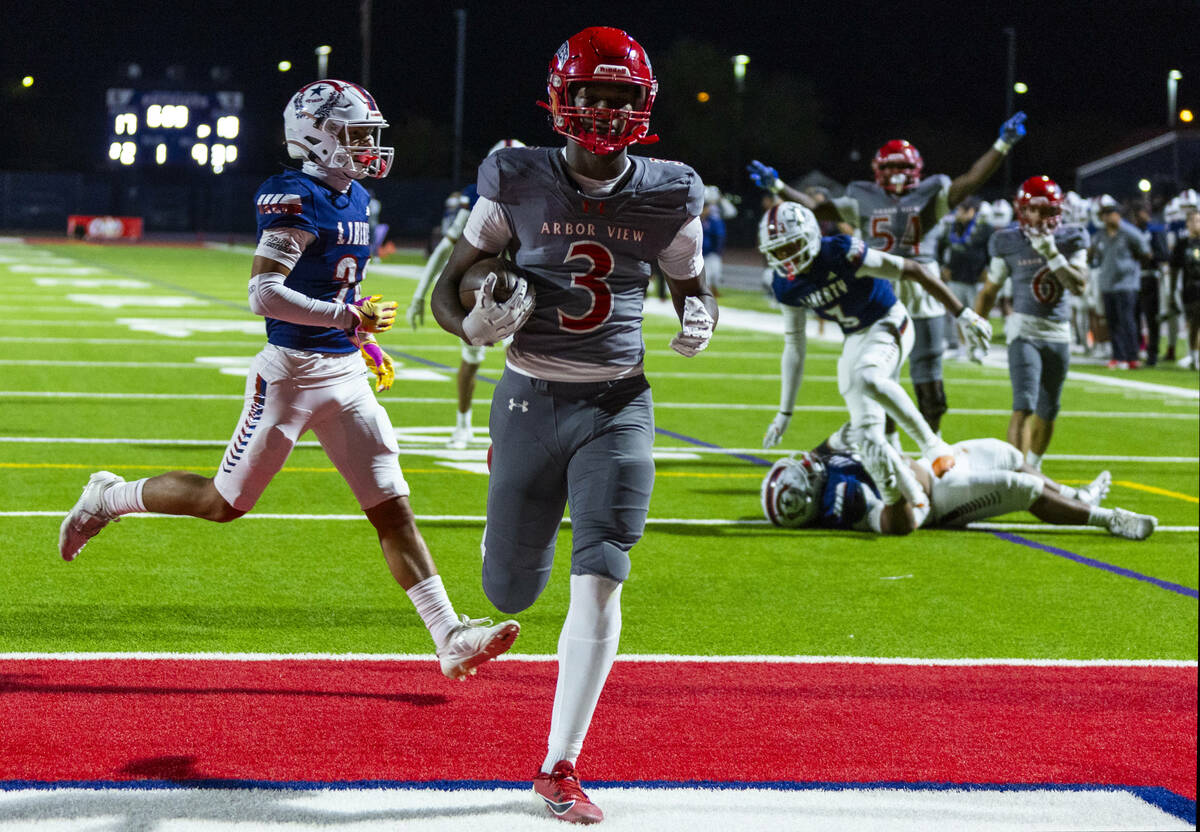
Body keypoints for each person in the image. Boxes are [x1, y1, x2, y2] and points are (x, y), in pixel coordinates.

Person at [57, 79, 519, 681]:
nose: (367, 147)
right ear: (316, 135)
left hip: (345, 373)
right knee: (223, 505)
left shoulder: (352, 195)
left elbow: (338, 287)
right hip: (290, 377)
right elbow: (264, 294)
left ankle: (448, 634)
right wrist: (346, 318)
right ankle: (107, 497)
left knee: (392, 509)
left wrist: (361, 337)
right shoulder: (293, 196)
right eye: (355, 135)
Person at [429, 28, 717, 825]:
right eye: (592, 93)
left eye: (622, 95)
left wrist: (701, 317)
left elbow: (695, 284)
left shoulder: (670, 191)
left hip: (619, 403)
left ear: (644, 105)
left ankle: (559, 765)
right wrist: (470, 327)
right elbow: (447, 289)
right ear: (562, 98)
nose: (605, 108)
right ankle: (509, 542)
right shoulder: (516, 175)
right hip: (528, 398)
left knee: (604, 568)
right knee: (508, 586)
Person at [748, 111, 1026, 434]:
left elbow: (972, 180)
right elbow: (815, 209)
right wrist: (779, 186)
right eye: (891, 167)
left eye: (903, 168)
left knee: (929, 378)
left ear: (917, 170)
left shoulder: (933, 193)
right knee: (879, 377)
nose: (896, 174)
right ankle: (888, 447)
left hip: (923, 283)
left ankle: (930, 449)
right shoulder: (861, 196)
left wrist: (1002, 144)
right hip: (879, 282)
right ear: (878, 170)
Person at [756, 201, 992, 477]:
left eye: (791, 247)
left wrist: (963, 314)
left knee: (866, 376)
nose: (786, 259)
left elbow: (915, 270)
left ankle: (935, 448)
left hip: (889, 320)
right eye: (778, 251)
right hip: (856, 338)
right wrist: (785, 413)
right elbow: (795, 346)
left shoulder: (842, 253)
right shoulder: (785, 284)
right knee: (867, 431)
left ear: (809, 235)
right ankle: (903, 488)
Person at [760, 434, 1156, 540]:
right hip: (935, 501)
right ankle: (1108, 520)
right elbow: (899, 524)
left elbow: (831, 444)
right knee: (1017, 487)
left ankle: (1075, 497)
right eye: (803, 472)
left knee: (1005, 452)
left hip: (930, 468)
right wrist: (895, 482)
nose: (807, 463)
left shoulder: (824, 471)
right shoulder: (842, 501)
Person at [408, 138, 527, 449]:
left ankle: (523, 427)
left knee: (528, 364)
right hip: (478, 290)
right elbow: (446, 249)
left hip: (523, 289)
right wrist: (421, 294)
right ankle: (463, 425)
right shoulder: (475, 197)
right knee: (472, 358)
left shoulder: (539, 196)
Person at [973, 176, 1089, 471]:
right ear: (1020, 210)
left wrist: (1052, 253)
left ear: (1058, 211)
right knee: (1023, 405)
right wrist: (974, 325)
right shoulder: (1006, 241)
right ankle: (1015, 475)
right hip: (1023, 330)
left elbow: (1079, 286)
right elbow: (990, 290)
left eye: (1046, 210)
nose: (1038, 217)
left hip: (1059, 333)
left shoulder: (1072, 238)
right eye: (1032, 210)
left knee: (1049, 410)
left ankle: (1033, 469)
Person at [1090, 202, 1153, 369]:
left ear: (1117, 215)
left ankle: (1132, 356)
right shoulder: (1101, 234)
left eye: (1108, 214)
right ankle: (1118, 356)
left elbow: (1146, 253)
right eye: (1103, 215)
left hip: (1127, 284)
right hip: (1107, 284)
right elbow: (1093, 254)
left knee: (1128, 321)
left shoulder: (1129, 232)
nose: (1105, 218)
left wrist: (1132, 266)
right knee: (1112, 322)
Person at [937, 197, 993, 360]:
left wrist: (988, 271)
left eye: (962, 210)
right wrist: (943, 266)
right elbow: (940, 247)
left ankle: (981, 348)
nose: (958, 213)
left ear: (972, 211)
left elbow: (991, 252)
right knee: (959, 315)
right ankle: (963, 347)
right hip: (955, 276)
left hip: (976, 278)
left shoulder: (985, 229)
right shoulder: (952, 228)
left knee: (978, 315)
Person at [1131, 202, 1170, 365]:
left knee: (1151, 317)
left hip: (1150, 278)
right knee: (1134, 316)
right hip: (1133, 278)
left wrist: (1150, 256)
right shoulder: (1133, 232)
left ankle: (1152, 353)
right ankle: (1137, 349)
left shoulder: (1154, 230)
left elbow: (1163, 255)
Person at [1169, 207, 1200, 370]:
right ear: (1187, 224)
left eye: (1198, 220)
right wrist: (1172, 292)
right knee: (1193, 324)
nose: (1196, 224)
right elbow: (1174, 269)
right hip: (1190, 288)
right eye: (1193, 221)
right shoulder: (1182, 244)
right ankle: (1194, 357)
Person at [701, 185, 727, 296]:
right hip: (698, 253)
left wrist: (717, 250)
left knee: (715, 273)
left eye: (706, 208)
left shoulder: (713, 221)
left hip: (711, 252)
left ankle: (713, 291)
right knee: (704, 276)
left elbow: (719, 236)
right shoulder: (694, 221)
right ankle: (706, 294)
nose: (705, 211)